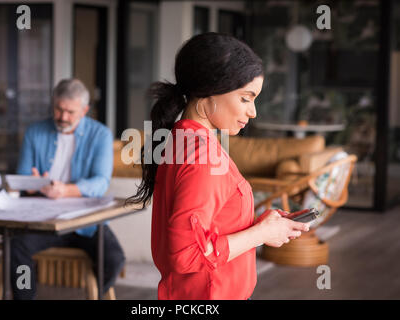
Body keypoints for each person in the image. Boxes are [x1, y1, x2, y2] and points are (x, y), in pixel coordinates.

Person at [127, 33, 310, 300]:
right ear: (210, 93)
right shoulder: (200, 155)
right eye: (246, 98)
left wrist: (262, 228)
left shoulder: (181, 139)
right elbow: (186, 254)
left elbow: (205, 228)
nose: (253, 112)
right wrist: (261, 233)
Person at [11, 78, 125, 299]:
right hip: (44, 220)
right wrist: (34, 185)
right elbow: (22, 177)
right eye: (58, 109)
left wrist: (66, 190)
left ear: (84, 110)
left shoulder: (100, 134)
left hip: (85, 222)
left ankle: (93, 292)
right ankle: (24, 297)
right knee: (17, 248)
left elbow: (101, 183)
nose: (63, 117)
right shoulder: (35, 132)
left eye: (70, 112)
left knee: (114, 259)